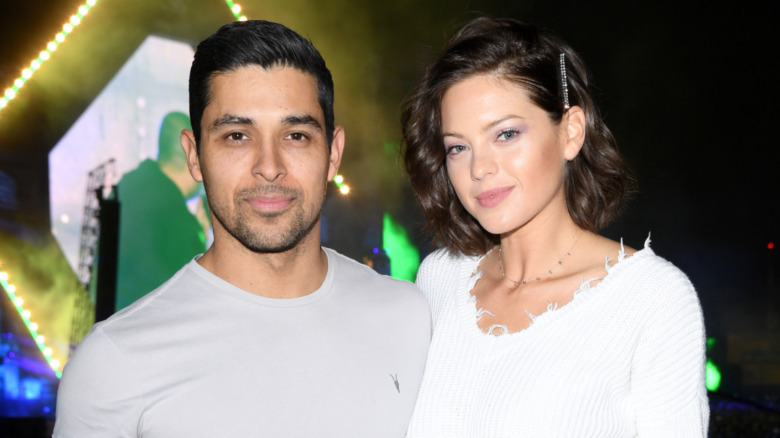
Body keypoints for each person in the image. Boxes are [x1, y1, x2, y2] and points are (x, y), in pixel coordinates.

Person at [54, 20, 430, 437]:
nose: (269, 166)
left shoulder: (410, 317)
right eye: (237, 135)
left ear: (333, 153)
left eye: (296, 135)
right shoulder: (114, 365)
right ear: (194, 156)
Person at [401, 17, 708, 437]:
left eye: (506, 134)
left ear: (570, 132)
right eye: (457, 147)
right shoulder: (439, 279)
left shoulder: (652, 299)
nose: (479, 168)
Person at [114, 111, 209, 311]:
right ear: (193, 157)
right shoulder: (179, 222)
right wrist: (199, 236)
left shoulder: (128, 184)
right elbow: (190, 296)